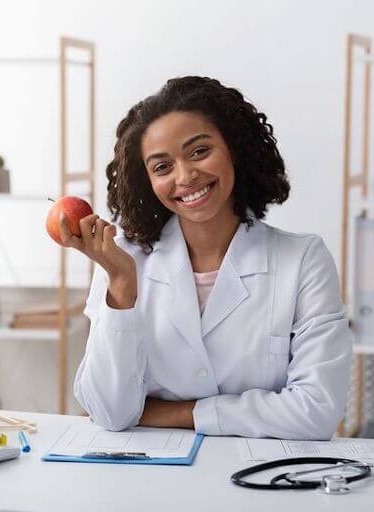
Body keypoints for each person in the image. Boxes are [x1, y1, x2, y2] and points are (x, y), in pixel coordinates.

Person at [60, 76, 352, 440]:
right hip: (147, 478)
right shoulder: (123, 262)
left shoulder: (304, 260)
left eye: (199, 152)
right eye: (162, 167)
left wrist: (176, 412)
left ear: (235, 148)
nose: (185, 176)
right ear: (146, 181)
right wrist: (121, 287)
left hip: (263, 481)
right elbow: (108, 412)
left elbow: (317, 412)